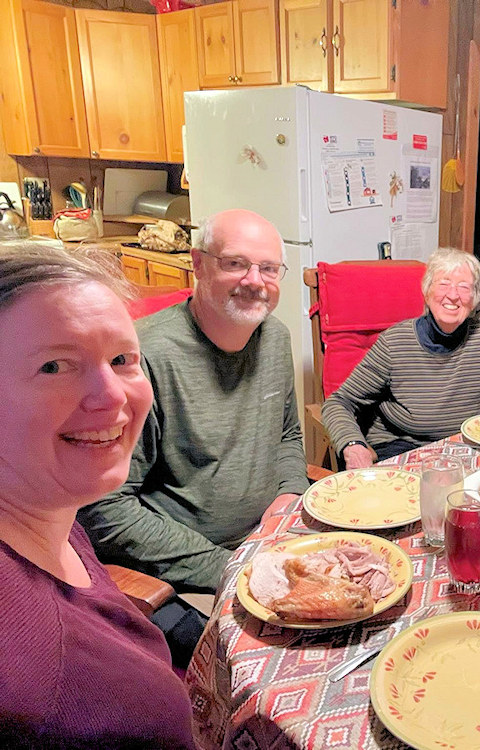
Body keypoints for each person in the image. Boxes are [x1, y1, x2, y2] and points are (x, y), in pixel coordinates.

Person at [0, 245, 195, 747]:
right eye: (53, 366)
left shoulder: (51, 506)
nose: (112, 395)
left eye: (122, 359)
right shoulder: (37, 683)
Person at [79, 209, 309, 593]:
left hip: (273, 542)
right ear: (198, 264)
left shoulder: (275, 337)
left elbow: (286, 436)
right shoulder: (139, 359)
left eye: (269, 269)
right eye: (235, 263)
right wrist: (231, 568)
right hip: (189, 575)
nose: (255, 281)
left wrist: (290, 496)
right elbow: (104, 509)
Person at [323, 247, 480, 468]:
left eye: (464, 287)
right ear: (426, 291)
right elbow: (338, 403)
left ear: (475, 299)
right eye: (444, 284)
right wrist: (353, 445)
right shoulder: (394, 343)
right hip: (402, 448)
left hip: (466, 449)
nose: (453, 295)